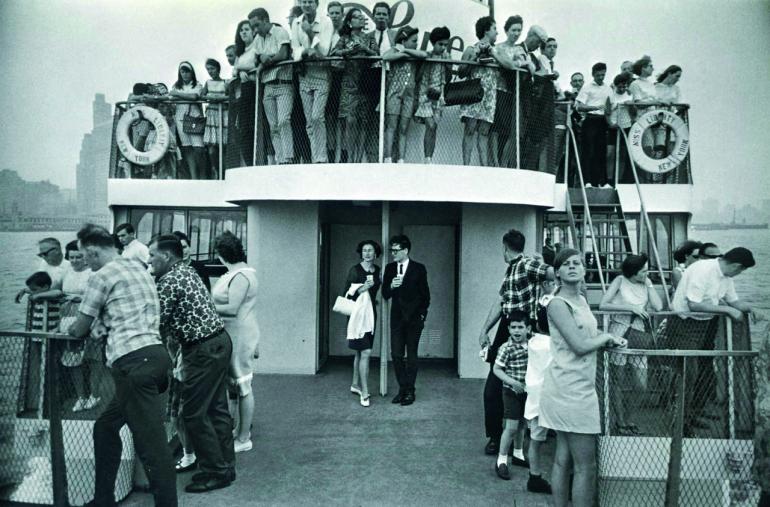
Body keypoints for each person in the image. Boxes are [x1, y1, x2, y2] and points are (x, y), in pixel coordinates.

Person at [67, 224, 176, 507]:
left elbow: (80, 328)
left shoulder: (100, 276)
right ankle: (103, 499)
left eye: (84, 257)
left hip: (133, 364)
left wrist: (67, 325)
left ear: (92, 251)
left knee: (153, 448)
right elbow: (126, 311)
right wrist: (102, 324)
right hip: (155, 356)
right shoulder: (138, 267)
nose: (86, 263)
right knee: (105, 426)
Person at [540, 248, 626, 507]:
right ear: (557, 273)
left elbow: (588, 332)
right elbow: (579, 344)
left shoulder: (581, 300)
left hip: (576, 385)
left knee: (564, 458)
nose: (573, 267)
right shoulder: (556, 303)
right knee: (586, 466)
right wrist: (606, 337)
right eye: (566, 264)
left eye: (577, 263)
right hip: (570, 389)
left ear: (584, 270)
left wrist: (606, 338)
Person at [150, 235, 235, 493]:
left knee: (194, 414)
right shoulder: (187, 270)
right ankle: (225, 466)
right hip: (219, 342)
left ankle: (215, 472)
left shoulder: (168, 281)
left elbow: (156, 321)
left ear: (165, 257)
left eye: (152, 256)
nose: (149, 261)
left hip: (201, 350)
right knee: (217, 409)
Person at [478, 229, 554, 458]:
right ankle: (497, 437)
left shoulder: (526, 265)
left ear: (504, 247)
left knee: (528, 380)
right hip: (507, 326)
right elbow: (502, 302)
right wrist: (485, 329)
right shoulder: (510, 270)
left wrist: (546, 267)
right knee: (495, 384)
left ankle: (523, 435)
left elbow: (551, 272)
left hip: (524, 326)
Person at [670, 247, 761, 434]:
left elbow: (734, 301)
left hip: (706, 325)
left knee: (704, 373)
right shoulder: (703, 270)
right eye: (741, 270)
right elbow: (694, 304)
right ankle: (680, 425)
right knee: (688, 374)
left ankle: (691, 416)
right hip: (684, 324)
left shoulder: (726, 277)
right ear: (736, 266)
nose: (740, 273)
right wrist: (727, 310)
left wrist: (752, 309)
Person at [599, 254, 663, 435]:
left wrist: (649, 283)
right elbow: (604, 304)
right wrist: (630, 307)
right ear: (633, 273)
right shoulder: (620, 281)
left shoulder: (646, 283)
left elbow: (658, 306)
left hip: (639, 335)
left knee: (641, 385)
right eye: (643, 271)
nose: (646, 273)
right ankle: (620, 422)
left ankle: (629, 417)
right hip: (620, 331)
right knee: (617, 380)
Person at [211, 232, 259, 453]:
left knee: (242, 385)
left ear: (222, 254)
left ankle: (244, 437)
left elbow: (232, 309)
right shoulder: (239, 273)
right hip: (235, 333)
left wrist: (204, 305)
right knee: (235, 386)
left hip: (238, 334)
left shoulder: (240, 276)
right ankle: (238, 430)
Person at [53, 241, 103, 413]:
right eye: (71, 257)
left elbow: (100, 297)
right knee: (73, 359)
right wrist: (32, 291)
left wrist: (77, 298)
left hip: (90, 319)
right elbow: (55, 290)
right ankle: (81, 396)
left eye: (78, 257)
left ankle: (94, 395)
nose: (74, 260)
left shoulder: (93, 273)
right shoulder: (66, 272)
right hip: (68, 319)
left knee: (93, 359)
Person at [382, 235, 430, 406]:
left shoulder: (419, 268)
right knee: (395, 354)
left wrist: (422, 315)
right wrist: (391, 287)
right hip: (396, 319)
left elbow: (426, 296)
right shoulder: (389, 268)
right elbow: (385, 294)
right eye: (392, 250)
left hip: (414, 319)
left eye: (396, 251)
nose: (393, 254)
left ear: (405, 250)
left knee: (411, 355)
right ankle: (405, 389)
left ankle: (409, 391)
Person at [330, 7, 378, 163]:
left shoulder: (369, 38)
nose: (361, 19)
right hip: (348, 82)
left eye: (362, 17)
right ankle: (350, 157)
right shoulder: (344, 37)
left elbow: (377, 55)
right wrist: (347, 51)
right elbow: (334, 52)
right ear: (350, 22)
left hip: (365, 83)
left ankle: (358, 159)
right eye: (357, 17)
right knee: (350, 120)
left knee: (363, 122)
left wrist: (364, 49)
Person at [291, 0, 335, 163]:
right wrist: (305, 52)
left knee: (317, 117)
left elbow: (323, 51)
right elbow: (295, 49)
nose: (307, 5)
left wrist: (310, 34)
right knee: (310, 121)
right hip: (305, 74)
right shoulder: (296, 22)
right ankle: (315, 157)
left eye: (310, 1)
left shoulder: (326, 21)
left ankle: (321, 158)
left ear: (316, 4)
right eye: (303, 1)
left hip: (322, 73)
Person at [250, 8, 295, 165]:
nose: (255, 30)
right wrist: (262, 58)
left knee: (283, 121)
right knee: (273, 126)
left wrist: (267, 60)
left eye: (257, 25)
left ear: (265, 20)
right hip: (267, 85)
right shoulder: (257, 39)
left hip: (283, 83)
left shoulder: (280, 32)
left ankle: (289, 157)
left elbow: (283, 54)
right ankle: (280, 158)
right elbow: (255, 59)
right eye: (253, 27)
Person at [343, 240, 382, 407]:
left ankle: (355, 384)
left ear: (375, 254)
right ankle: (364, 393)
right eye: (364, 250)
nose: (367, 253)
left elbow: (376, 294)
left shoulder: (377, 270)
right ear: (361, 253)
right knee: (365, 352)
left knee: (360, 353)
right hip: (357, 317)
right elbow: (345, 294)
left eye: (370, 250)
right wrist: (361, 289)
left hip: (370, 315)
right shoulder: (355, 270)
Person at [492, 312, 530, 480]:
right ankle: (501, 460)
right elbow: (496, 369)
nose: (516, 331)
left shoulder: (532, 344)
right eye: (513, 327)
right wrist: (513, 382)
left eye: (520, 327)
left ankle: (518, 453)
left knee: (523, 424)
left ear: (528, 328)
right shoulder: (506, 348)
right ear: (508, 329)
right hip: (511, 392)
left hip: (528, 391)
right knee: (511, 427)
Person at [382, 25, 428, 163]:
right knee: (391, 126)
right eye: (413, 41)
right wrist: (401, 53)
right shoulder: (395, 51)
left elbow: (424, 55)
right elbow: (385, 56)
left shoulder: (413, 54)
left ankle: (401, 159)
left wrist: (406, 50)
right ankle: (388, 158)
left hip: (409, 95)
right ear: (404, 40)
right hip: (394, 93)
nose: (416, 44)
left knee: (403, 128)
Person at [459, 16, 498, 166]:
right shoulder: (470, 48)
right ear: (486, 30)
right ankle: (466, 166)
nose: (497, 32)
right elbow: (461, 72)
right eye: (494, 29)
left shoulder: (495, 51)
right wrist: (475, 55)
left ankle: (484, 168)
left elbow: (507, 64)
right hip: (473, 92)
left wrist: (492, 53)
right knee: (470, 129)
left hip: (489, 94)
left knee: (484, 132)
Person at [489, 16, 524, 167]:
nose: (516, 33)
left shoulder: (519, 49)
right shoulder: (498, 47)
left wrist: (514, 63)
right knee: (495, 129)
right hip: (498, 90)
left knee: (511, 131)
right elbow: (508, 64)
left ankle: (504, 163)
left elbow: (523, 64)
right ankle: (495, 163)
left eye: (519, 30)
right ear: (506, 31)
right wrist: (511, 62)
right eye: (513, 30)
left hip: (512, 93)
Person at [413, 26, 451, 164]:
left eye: (445, 45)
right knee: (430, 124)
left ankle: (429, 158)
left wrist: (448, 64)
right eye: (440, 44)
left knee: (434, 127)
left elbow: (448, 77)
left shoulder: (447, 57)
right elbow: (418, 77)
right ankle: (427, 158)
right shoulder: (426, 56)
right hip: (425, 95)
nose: (443, 48)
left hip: (439, 96)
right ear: (433, 43)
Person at [170, 61, 210, 180]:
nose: (185, 74)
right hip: (180, 119)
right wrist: (179, 95)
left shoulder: (197, 85)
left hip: (194, 119)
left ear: (192, 72)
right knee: (187, 148)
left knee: (199, 149)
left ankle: (203, 176)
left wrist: (178, 94)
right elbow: (171, 98)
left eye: (187, 71)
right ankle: (194, 177)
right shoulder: (176, 86)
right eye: (183, 71)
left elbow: (194, 97)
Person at [576, 62, 611, 188]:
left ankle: (602, 182)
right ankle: (587, 181)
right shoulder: (587, 87)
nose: (601, 77)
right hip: (590, 121)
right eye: (598, 75)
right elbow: (579, 106)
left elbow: (611, 105)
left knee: (601, 153)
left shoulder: (608, 88)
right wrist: (594, 107)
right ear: (593, 74)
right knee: (588, 152)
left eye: (603, 74)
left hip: (602, 122)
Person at [233, 20, 258, 166]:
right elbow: (234, 70)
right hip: (244, 90)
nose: (243, 32)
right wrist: (240, 71)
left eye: (246, 29)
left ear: (252, 31)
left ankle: (257, 160)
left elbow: (254, 64)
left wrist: (241, 69)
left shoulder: (256, 46)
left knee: (253, 126)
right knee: (243, 128)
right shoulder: (240, 52)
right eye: (241, 30)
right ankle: (248, 163)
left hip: (255, 88)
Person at [16, 238, 71, 303]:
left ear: (57, 250)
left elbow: (61, 292)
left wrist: (37, 295)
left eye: (45, 254)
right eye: (40, 255)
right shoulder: (44, 263)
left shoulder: (69, 266)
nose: (43, 257)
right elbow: (41, 287)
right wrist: (25, 290)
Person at [605, 72, 634, 184]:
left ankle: (620, 179)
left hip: (626, 126)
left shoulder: (630, 95)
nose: (622, 88)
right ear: (615, 85)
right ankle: (609, 179)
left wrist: (631, 105)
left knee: (622, 153)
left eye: (624, 86)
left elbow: (633, 112)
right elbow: (607, 112)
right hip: (614, 127)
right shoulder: (611, 96)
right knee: (610, 153)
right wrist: (610, 124)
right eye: (619, 86)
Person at [201, 58, 228, 177]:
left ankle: (224, 172)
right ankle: (216, 170)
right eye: (208, 69)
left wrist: (220, 99)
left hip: (223, 114)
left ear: (218, 69)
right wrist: (209, 97)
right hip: (212, 114)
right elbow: (202, 95)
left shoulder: (225, 82)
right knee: (212, 148)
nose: (210, 71)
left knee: (223, 145)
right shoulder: (208, 82)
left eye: (212, 68)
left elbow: (229, 96)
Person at [325, 1, 344, 163]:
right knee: (329, 119)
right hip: (327, 77)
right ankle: (331, 156)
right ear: (328, 15)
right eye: (332, 13)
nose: (335, 15)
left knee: (342, 119)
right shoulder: (325, 33)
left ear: (342, 15)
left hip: (344, 78)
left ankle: (343, 156)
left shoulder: (347, 33)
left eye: (338, 12)